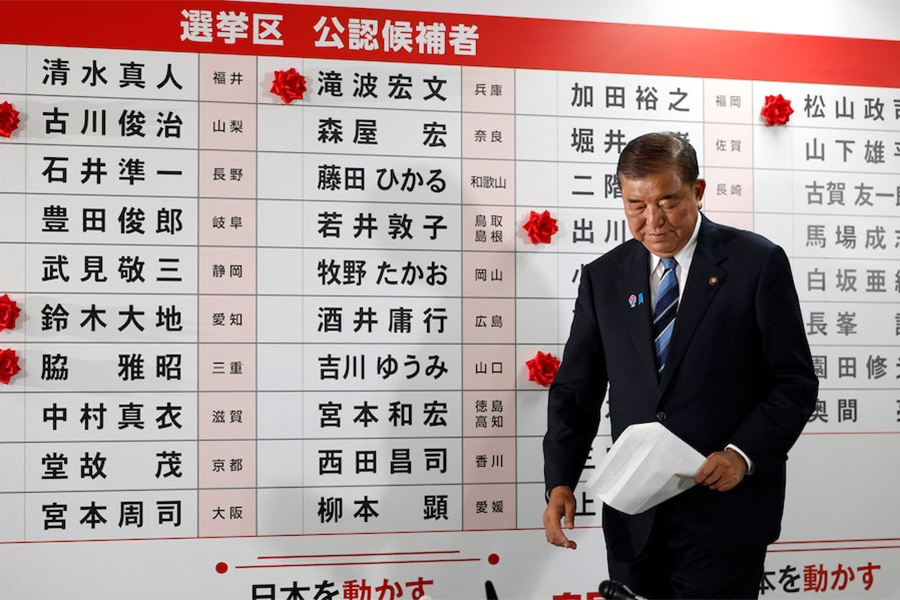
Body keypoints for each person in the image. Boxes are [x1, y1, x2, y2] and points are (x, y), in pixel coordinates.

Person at [542, 132, 818, 599]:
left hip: (725, 512)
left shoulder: (756, 263)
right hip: (636, 517)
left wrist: (742, 455)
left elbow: (794, 382)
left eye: (667, 201)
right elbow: (576, 389)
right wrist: (560, 480)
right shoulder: (604, 277)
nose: (653, 221)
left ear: (699, 191)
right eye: (635, 205)